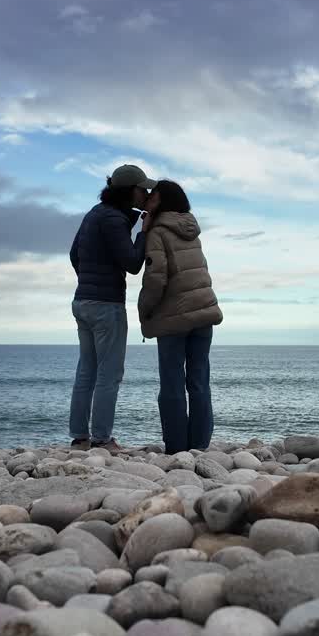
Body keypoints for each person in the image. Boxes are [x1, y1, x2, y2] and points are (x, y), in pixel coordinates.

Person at [67, 164, 156, 453]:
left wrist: (90, 280)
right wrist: (144, 231)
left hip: (82, 302)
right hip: (106, 306)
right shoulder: (114, 220)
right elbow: (132, 264)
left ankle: (80, 439)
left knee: (86, 372)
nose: (147, 194)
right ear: (130, 191)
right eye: (143, 189)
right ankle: (103, 440)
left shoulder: (96, 213)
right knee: (109, 375)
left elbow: (73, 254)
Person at [137, 180, 223, 454]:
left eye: (153, 195)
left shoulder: (158, 232)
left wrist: (144, 311)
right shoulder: (192, 230)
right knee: (199, 381)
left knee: (172, 383)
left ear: (162, 201)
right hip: (204, 313)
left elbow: (155, 277)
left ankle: (176, 447)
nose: (148, 198)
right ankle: (198, 446)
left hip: (173, 317)